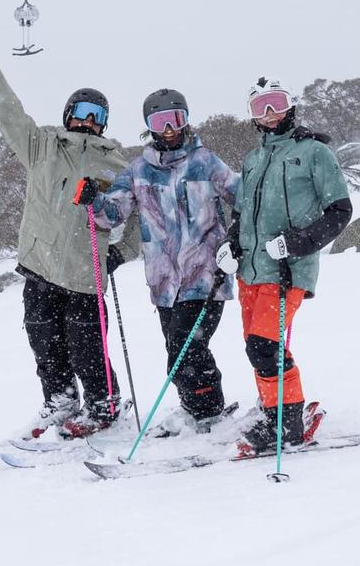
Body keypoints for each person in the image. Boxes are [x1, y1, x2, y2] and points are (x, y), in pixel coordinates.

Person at [0, 19, 139, 439]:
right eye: (81, 113)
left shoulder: (116, 164)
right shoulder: (40, 145)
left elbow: (141, 215)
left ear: (105, 124)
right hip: (39, 265)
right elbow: (6, 110)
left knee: (87, 347)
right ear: (67, 116)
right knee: (45, 344)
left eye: (98, 116)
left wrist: (122, 253)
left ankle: (103, 402)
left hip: (84, 273)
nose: (88, 121)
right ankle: (59, 399)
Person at [73, 88, 240, 436]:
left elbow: (242, 195)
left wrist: (236, 238)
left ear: (186, 119)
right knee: (177, 349)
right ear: (149, 126)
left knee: (186, 347)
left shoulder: (205, 162)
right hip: (164, 284)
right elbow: (112, 215)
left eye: (175, 120)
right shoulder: (138, 171)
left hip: (206, 275)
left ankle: (208, 412)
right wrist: (95, 200)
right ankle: (194, 408)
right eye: (159, 122)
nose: (168, 129)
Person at [217, 77, 353, 454]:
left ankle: (287, 422)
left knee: (265, 345)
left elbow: (340, 211)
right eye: (261, 107)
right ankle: (272, 408)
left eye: (276, 103)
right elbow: (242, 212)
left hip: (288, 269)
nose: (270, 113)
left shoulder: (314, 153)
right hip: (251, 270)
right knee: (256, 346)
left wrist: (296, 243)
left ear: (291, 105)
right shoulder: (253, 158)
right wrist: (231, 244)